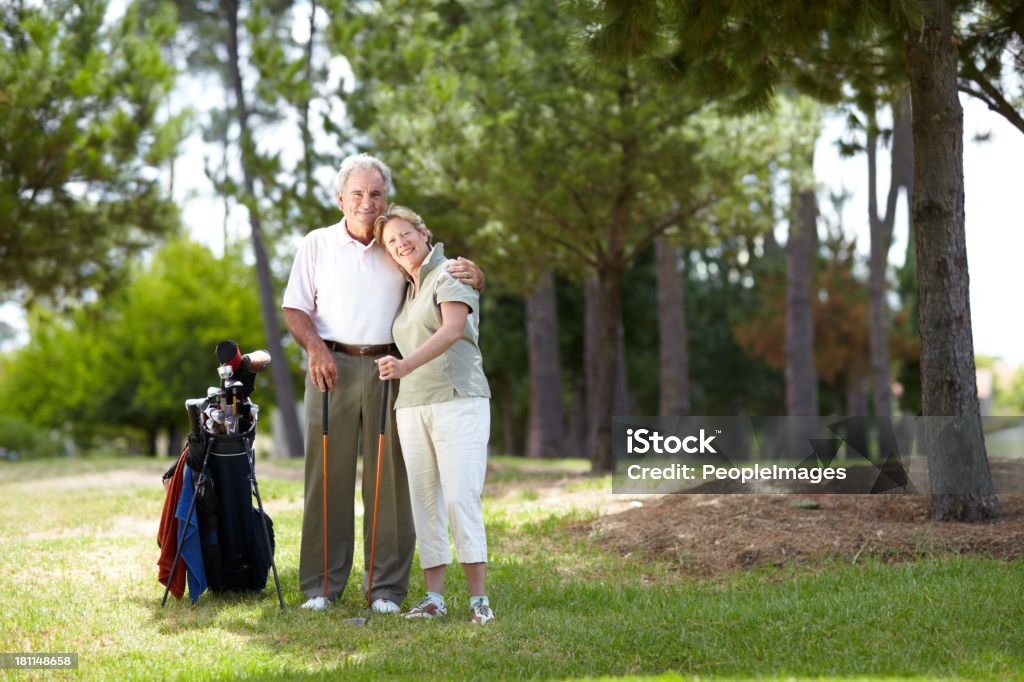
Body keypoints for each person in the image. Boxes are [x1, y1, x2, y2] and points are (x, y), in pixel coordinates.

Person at [282, 154, 484, 612]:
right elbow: (295, 309)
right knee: (326, 478)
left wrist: (477, 274)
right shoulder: (316, 244)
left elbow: (438, 276)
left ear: (385, 199)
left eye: (375, 194)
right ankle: (320, 587)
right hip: (328, 365)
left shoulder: (395, 244)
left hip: (388, 369)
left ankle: (386, 589)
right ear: (341, 199)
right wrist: (314, 349)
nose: (366, 203)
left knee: (390, 482)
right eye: (357, 194)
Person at [374, 205, 494, 625]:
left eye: (406, 233)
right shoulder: (408, 290)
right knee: (424, 501)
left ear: (424, 233)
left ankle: (479, 601)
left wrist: (404, 365)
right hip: (412, 406)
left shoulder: (450, 273)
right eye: (391, 241)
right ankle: (434, 598)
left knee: (461, 497)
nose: (400, 243)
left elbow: (452, 329)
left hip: (458, 398)